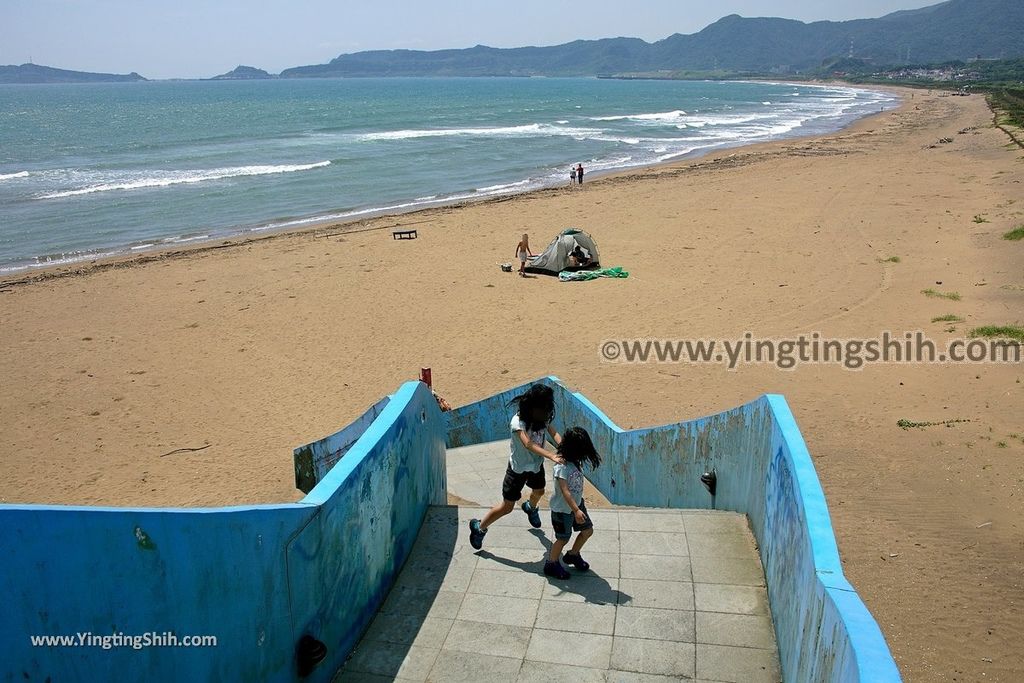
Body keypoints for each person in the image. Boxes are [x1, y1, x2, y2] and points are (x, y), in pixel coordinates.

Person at [469, 384, 563, 549]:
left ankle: (530, 507)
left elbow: (554, 433)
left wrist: (565, 446)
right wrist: (551, 455)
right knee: (507, 507)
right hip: (517, 469)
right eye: (542, 409)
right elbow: (528, 444)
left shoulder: (542, 418)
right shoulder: (517, 422)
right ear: (532, 407)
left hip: (535, 466)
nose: (546, 413)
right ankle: (479, 527)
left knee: (539, 491)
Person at [545, 427, 602, 579]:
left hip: (577, 505)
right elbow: (565, 492)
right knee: (563, 538)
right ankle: (551, 563)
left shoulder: (574, 459)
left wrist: (577, 508)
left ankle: (573, 554)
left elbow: (556, 435)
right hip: (563, 510)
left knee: (587, 531)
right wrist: (576, 510)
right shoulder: (562, 466)